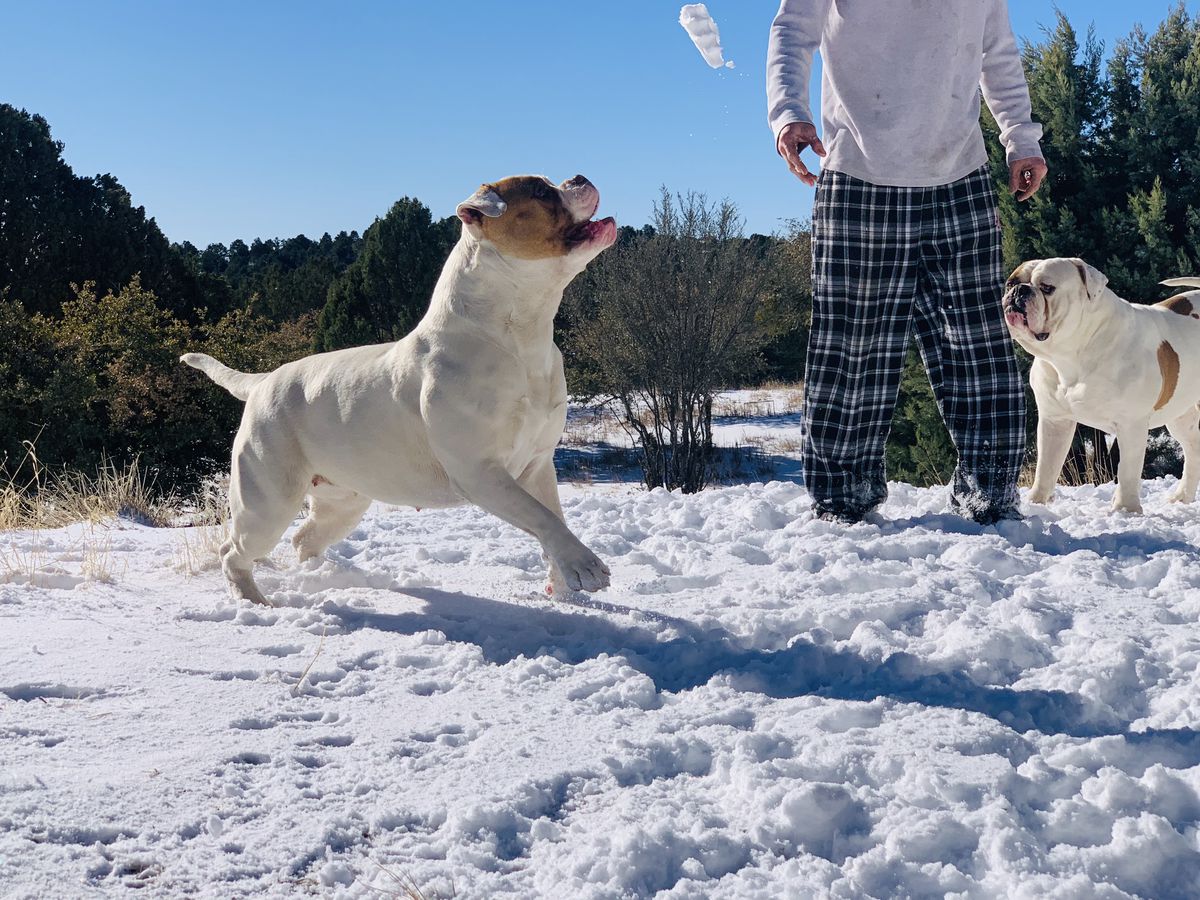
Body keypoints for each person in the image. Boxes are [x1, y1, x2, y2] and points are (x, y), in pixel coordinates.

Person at [767, 0, 1047, 525]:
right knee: (851, 347)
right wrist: (789, 114)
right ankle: (842, 506)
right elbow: (791, 30)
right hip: (857, 174)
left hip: (959, 172)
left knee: (977, 342)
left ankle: (991, 495)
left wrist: (1021, 137)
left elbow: (998, 52)